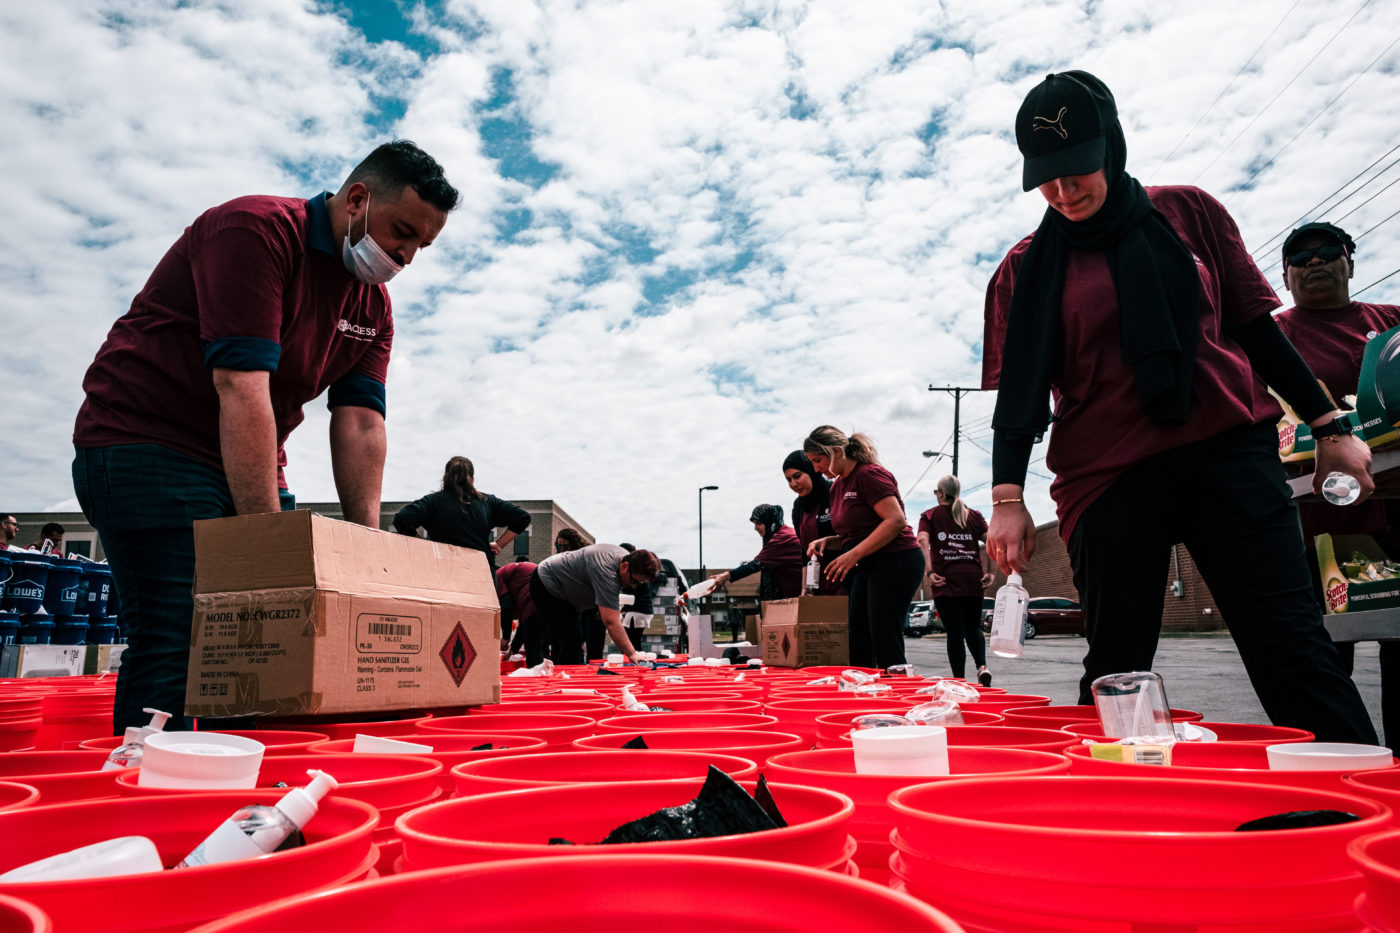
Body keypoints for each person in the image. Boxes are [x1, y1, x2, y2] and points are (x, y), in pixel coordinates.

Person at [982, 71, 1375, 743]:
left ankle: (1363, 812)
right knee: (1117, 667)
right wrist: (1008, 497)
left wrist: (1329, 423)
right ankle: (1113, 817)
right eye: (1046, 177)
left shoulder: (1188, 212)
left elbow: (1255, 329)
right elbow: (1019, 398)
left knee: (1294, 651)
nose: (1064, 190)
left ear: (1113, 145)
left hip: (1227, 451)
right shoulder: (1024, 269)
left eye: (1078, 169)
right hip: (1107, 476)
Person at [71, 140, 459, 734]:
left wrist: (367, 549)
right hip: (146, 441)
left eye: (421, 246)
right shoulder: (254, 230)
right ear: (357, 199)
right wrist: (264, 542)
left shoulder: (372, 305)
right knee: (182, 631)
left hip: (249, 453)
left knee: (271, 636)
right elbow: (240, 383)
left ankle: (243, 780)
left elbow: (360, 421)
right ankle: (153, 788)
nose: (405, 255)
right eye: (401, 231)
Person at [1274, 220, 1400, 751]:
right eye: (1301, 259)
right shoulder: (1271, 335)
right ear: (1285, 276)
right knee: (1320, 665)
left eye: (1328, 252)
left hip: (1394, 512)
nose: (1315, 263)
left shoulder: (1390, 324)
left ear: (1349, 261)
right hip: (1312, 526)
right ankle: (1336, 776)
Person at [802, 426, 924, 669]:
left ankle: (897, 695)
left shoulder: (869, 475)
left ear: (836, 451)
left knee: (884, 636)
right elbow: (859, 531)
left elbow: (895, 520)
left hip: (896, 559)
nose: (816, 468)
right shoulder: (838, 486)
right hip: (868, 563)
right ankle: (865, 693)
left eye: (818, 460)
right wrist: (830, 541)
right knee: (857, 635)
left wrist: (852, 555)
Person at [528, 544, 660, 666]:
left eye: (640, 583)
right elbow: (611, 622)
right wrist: (632, 653)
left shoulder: (625, 559)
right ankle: (565, 684)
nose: (633, 586)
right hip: (547, 584)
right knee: (572, 641)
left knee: (569, 641)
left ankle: (565, 677)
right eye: (634, 581)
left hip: (567, 593)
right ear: (625, 566)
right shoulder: (607, 571)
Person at [918, 475, 993, 685]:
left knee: (955, 633)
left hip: (946, 580)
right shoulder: (975, 515)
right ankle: (982, 667)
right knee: (973, 628)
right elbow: (992, 541)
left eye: (936, 492)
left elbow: (922, 540)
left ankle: (959, 680)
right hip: (973, 578)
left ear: (940, 493)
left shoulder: (930, 515)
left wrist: (929, 572)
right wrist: (991, 570)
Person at [392, 456, 531, 570]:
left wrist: (423, 544)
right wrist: (499, 544)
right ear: (472, 479)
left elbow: (402, 520)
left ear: (445, 478)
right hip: (481, 571)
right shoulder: (487, 502)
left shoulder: (432, 502)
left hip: (444, 568)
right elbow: (522, 517)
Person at [709, 504, 804, 599]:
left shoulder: (782, 539)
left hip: (796, 597)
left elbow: (756, 565)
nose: (755, 528)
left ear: (771, 523)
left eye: (758, 523)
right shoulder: (784, 533)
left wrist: (725, 577)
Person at [782, 451, 844, 594]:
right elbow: (805, 553)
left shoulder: (835, 492)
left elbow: (854, 537)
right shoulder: (798, 507)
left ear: (811, 470)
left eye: (797, 476)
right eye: (788, 480)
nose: (793, 484)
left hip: (845, 579)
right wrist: (806, 588)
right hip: (818, 583)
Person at [495, 558, 537, 653]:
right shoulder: (515, 579)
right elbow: (524, 626)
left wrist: (506, 637)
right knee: (539, 642)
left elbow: (506, 606)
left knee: (533, 646)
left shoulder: (496, 577)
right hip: (550, 592)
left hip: (537, 592)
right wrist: (513, 650)